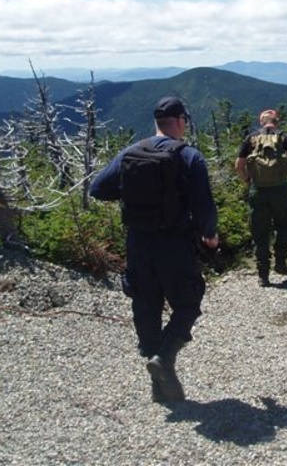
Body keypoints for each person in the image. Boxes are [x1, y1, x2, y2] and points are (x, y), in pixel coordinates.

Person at [89, 97, 219, 403]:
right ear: (178, 121)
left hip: (138, 243)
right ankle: (164, 358)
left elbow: (98, 189)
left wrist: (136, 195)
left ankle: (159, 383)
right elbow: (205, 206)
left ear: (156, 123)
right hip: (174, 243)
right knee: (188, 302)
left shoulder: (130, 153)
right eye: (184, 119)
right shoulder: (189, 156)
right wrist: (210, 235)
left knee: (145, 306)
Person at [235, 109, 287, 287]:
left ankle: (263, 275)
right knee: (283, 226)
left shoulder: (251, 138)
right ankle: (280, 262)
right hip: (280, 190)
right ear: (277, 122)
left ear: (261, 122)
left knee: (260, 232)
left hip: (258, 191)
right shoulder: (285, 138)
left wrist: (248, 180)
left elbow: (239, 165)